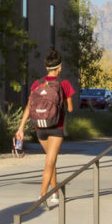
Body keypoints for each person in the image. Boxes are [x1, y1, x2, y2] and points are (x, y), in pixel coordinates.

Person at [15, 50, 77, 208]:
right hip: (56, 127)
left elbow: (29, 106)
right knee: (50, 161)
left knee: (51, 160)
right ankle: (43, 195)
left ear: (46, 67)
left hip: (39, 126)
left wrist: (21, 127)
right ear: (60, 67)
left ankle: (55, 192)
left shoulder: (37, 83)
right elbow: (70, 109)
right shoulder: (64, 83)